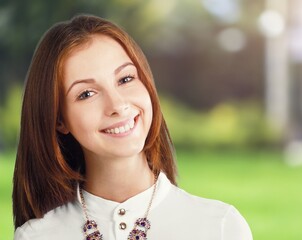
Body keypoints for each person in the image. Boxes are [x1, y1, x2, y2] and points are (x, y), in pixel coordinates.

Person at [12, 14, 252, 240]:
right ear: (59, 120)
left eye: (125, 79)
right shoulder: (36, 236)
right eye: (86, 94)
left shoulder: (220, 227)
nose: (117, 105)